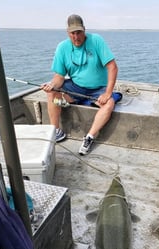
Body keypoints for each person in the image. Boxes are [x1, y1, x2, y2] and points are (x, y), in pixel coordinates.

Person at [41, 14, 121, 155]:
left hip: (99, 89)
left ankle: (89, 137)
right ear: (68, 32)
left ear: (84, 30)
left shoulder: (96, 40)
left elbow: (112, 67)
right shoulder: (62, 47)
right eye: (73, 33)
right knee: (52, 93)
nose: (76, 37)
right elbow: (59, 76)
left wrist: (108, 93)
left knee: (109, 103)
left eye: (79, 32)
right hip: (76, 87)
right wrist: (52, 85)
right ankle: (56, 131)